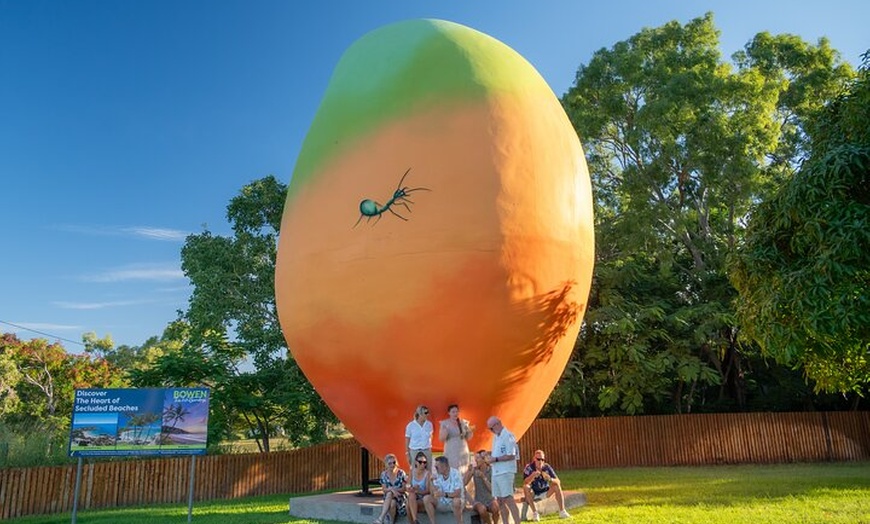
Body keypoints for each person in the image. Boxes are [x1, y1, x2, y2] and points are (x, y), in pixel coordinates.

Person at [486, 416, 521, 524]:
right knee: (500, 500)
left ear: (497, 424)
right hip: (496, 471)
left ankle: (517, 522)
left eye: (491, 428)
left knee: (508, 499)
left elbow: (511, 455)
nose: (491, 431)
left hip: (505, 471)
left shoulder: (508, 435)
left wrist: (495, 459)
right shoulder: (496, 437)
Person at [522, 450, 569, 520]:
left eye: (542, 459)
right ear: (534, 459)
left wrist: (550, 479)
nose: (540, 461)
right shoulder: (529, 468)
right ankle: (535, 513)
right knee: (526, 487)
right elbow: (525, 482)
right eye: (538, 459)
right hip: (533, 493)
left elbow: (558, 481)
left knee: (556, 486)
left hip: (545, 492)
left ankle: (562, 511)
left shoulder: (547, 467)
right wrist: (532, 476)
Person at [424, 456, 464, 524]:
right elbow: (433, 493)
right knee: (426, 498)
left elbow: (458, 493)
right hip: (442, 502)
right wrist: (431, 481)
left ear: (444, 466)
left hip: (453, 503)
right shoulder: (438, 475)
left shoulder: (455, 474)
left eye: (437, 467)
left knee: (456, 501)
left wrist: (444, 494)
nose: (436, 469)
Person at [463, 449, 500, 524]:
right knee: (482, 510)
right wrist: (468, 471)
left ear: (484, 460)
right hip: (478, 500)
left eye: (478, 458)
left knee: (495, 509)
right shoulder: (474, 470)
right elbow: (464, 483)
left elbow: (492, 490)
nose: (476, 460)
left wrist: (483, 477)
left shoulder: (491, 470)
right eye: (475, 458)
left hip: (490, 499)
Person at [439, 403, 474, 475]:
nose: (455, 413)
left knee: (464, 469)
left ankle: (464, 485)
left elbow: (468, 438)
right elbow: (441, 439)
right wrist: (445, 432)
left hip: (462, 449)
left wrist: (470, 431)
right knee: (452, 469)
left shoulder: (463, 422)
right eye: (453, 412)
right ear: (449, 413)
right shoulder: (445, 423)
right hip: (451, 450)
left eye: (457, 411)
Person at [374, 453, 407, 524]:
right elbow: (384, 489)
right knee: (392, 502)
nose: (392, 465)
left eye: (394, 462)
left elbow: (404, 489)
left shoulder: (401, 473)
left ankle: (381, 518)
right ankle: (391, 522)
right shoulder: (384, 474)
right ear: (386, 464)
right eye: (390, 463)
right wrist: (392, 490)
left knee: (390, 493)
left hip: (400, 498)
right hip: (389, 500)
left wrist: (393, 490)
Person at [406, 451, 436, 524]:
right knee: (410, 498)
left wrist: (417, 491)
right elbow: (407, 485)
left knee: (408, 504)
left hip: (423, 498)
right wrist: (411, 488)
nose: (422, 464)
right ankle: (415, 521)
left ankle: (414, 522)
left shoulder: (427, 473)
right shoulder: (412, 472)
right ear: (416, 462)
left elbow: (428, 490)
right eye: (420, 462)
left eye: (424, 462)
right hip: (413, 497)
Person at [406, 405, 434, 469]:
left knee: (428, 470)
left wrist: (429, 447)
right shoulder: (410, 425)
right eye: (425, 413)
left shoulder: (429, 424)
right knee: (414, 470)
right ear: (420, 414)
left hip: (426, 450)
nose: (427, 414)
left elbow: (431, 436)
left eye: (428, 412)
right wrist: (407, 453)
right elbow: (407, 439)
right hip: (414, 451)